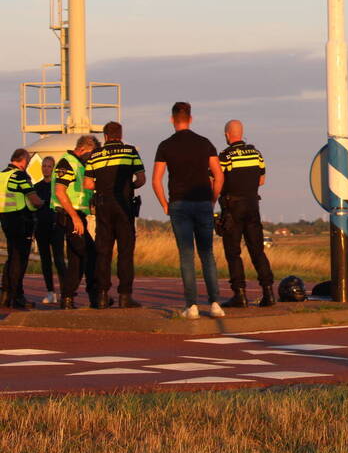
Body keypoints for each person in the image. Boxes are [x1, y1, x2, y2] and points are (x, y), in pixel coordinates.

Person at [152, 102, 225, 320]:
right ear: (191, 119)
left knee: (186, 256)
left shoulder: (165, 145)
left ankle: (191, 306)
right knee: (207, 254)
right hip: (203, 202)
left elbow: (156, 180)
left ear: (172, 119)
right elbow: (219, 176)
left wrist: (164, 204)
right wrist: (212, 200)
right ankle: (214, 304)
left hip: (179, 204)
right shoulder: (205, 144)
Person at [84, 122, 146, 308]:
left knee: (103, 251)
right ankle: (125, 296)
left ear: (105, 136)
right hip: (124, 205)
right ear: (120, 134)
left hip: (103, 204)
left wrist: (104, 189)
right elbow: (141, 179)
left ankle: (102, 295)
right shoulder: (130, 151)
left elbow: (87, 184)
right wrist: (128, 188)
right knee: (125, 252)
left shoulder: (95, 155)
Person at [218, 120, 275, 308]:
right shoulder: (256, 153)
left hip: (232, 207)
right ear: (242, 133)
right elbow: (262, 180)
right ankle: (268, 292)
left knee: (233, 252)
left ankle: (239, 295)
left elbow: (217, 182)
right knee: (257, 250)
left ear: (227, 134)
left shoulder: (225, 156)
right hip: (252, 205)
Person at [53, 135, 99, 309]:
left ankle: (67, 298)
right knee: (90, 253)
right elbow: (59, 191)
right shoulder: (67, 162)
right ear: (81, 149)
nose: (91, 157)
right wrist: (74, 217)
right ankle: (95, 295)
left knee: (76, 261)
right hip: (70, 216)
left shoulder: (79, 164)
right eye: (90, 153)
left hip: (78, 216)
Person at [0, 149, 44, 309]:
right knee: (20, 260)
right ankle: (17, 296)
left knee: (11, 258)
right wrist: (43, 203)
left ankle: (5, 295)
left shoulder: (2, 175)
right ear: (23, 160)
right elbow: (34, 200)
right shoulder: (19, 175)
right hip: (21, 220)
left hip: (5, 219)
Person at [32, 156, 59, 304]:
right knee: (46, 261)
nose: (46, 168)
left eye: (49, 166)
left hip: (55, 227)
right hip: (41, 227)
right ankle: (50, 292)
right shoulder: (37, 187)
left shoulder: (57, 186)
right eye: (44, 165)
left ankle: (66, 292)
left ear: (53, 168)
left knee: (59, 260)